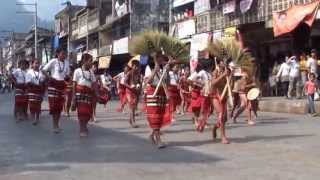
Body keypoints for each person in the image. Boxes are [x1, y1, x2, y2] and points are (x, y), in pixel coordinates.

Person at [145, 55, 172, 148]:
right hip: (153, 94)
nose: (161, 60)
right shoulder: (149, 69)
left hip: (161, 95)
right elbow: (148, 81)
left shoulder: (163, 70)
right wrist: (154, 71)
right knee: (155, 117)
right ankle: (158, 140)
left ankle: (152, 135)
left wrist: (167, 71)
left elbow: (167, 83)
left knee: (160, 117)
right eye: (159, 58)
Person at [42, 47, 70, 133]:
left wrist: (67, 78)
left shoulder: (67, 63)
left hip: (61, 85)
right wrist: (50, 78)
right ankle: (54, 126)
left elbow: (67, 74)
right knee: (54, 107)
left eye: (65, 53)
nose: (64, 55)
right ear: (58, 54)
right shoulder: (53, 61)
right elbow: (43, 70)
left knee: (59, 107)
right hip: (53, 86)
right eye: (62, 53)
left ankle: (57, 124)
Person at [72, 53, 97, 137]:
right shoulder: (77, 71)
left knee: (88, 113)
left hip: (88, 95)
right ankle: (82, 129)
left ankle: (85, 126)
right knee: (81, 112)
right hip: (80, 95)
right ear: (84, 61)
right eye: (90, 61)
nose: (92, 63)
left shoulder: (91, 72)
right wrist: (74, 96)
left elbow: (94, 83)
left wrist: (96, 94)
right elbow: (74, 84)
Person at [211, 60, 231, 144]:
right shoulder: (216, 71)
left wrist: (230, 96)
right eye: (223, 62)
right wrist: (223, 75)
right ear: (219, 63)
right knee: (221, 115)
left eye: (226, 62)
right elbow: (213, 83)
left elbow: (230, 84)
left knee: (224, 118)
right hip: (215, 96)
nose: (225, 63)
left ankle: (215, 127)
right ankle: (223, 137)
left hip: (224, 97)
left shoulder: (229, 71)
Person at [26, 59, 45, 125]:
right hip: (32, 90)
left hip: (39, 91)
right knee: (32, 105)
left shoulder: (41, 72)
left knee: (38, 105)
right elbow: (28, 82)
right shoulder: (29, 72)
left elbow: (42, 81)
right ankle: (33, 118)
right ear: (32, 64)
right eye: (35, 63)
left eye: (38, 63)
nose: (37, 65)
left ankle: (37, 118)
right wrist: (36, 85)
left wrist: (42, 85)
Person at [123, 60, 141, 128]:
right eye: (135, 66)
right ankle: (133, 121)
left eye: (137, 66)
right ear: (132, 66)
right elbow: (124, 82)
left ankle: (131, 120)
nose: (136, 68)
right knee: (132, 106)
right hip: (129, 91)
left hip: (135, 91)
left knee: (134, 107)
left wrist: (139, 87)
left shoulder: (138, 74)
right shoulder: (129, 73)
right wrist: (130, 86)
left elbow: (139, 82)